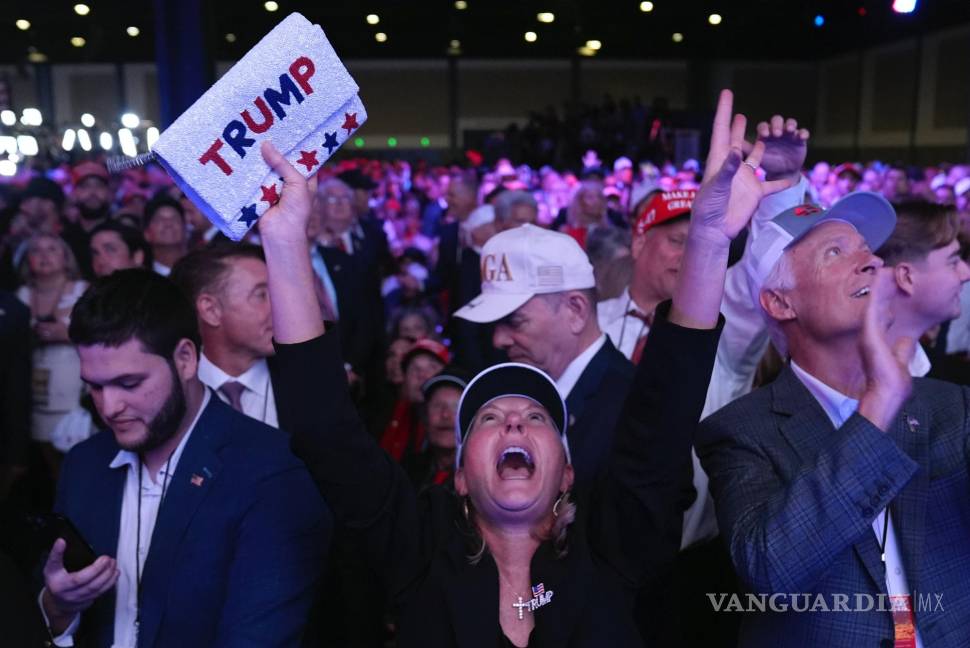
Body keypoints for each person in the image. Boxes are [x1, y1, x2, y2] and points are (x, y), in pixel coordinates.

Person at [256, 87, 788, 646]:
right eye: (487, 419)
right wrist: (286, 239)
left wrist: (707, 243)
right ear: (458, 476)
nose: (512, 421)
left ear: (568, 472)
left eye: (536, 418)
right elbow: (323, 429)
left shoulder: (610, 549)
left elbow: (662, 417)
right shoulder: (419, 550)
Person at [698, 189, 970, 645]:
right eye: (835, 252)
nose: (868, 261)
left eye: (867, 249)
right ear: (781, 303)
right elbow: (772, 569)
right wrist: (877, 406)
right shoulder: (742, 431)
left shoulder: (949, 407)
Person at [39, 268, 330, 647]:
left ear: (186, 359)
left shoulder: (271, 473)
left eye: (129, 383)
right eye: (94, 387)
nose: (109, 407)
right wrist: (59, 607)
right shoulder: (84, 465)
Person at [453, 222, 633, 487]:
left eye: (514, 321)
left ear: (575, 310)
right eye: (495, 324)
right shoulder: (513, 390)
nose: (498, 339)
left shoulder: (632, 405)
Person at [170, 245, 280, 428]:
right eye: (261, 295)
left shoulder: (307, 381)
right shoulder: (175, 393)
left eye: (275, 293)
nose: (278, 306)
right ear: (210, 310)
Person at [16, 234, 88, 480]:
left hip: (73, 392)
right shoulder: (22, 295)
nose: (44, 255)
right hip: (33, 389)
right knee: (46, 466)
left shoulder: (82, 290)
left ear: (66, 259)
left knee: (76, 462)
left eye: (52, 249)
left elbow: (101, 336)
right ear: (27, 260)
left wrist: (68, 333)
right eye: (36, 250)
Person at [62, 161, 113, 279]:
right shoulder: (64, 238)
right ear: (74, 194)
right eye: (85, 186)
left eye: (99, 186)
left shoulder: (123, 235)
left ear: (109, 193)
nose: (92, 192)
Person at [142, 194, 188, 276]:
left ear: (185, 230)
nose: (168, 224)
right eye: (160, 219)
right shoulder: (140, 279)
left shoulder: (202, 271)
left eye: (174, 218)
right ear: (147, 234)